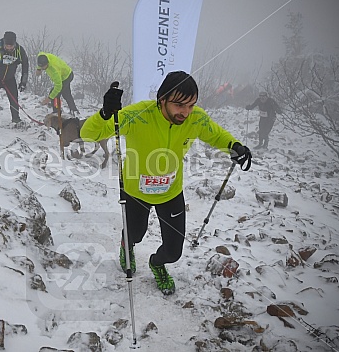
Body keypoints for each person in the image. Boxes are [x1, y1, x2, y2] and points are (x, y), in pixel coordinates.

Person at [80, 71, 252, 295]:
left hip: (170, 193)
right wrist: (104, 114)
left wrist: (234, 146)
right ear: (162, 99)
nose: (186, 112)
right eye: (180, 105)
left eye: (191, 105)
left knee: (173, 251)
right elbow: (88, 134)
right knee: (135, 234)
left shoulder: (195, 118)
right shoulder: (138, 115)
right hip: (136, 191)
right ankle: (127, 245)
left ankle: (157, 263)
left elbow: (216, 135)